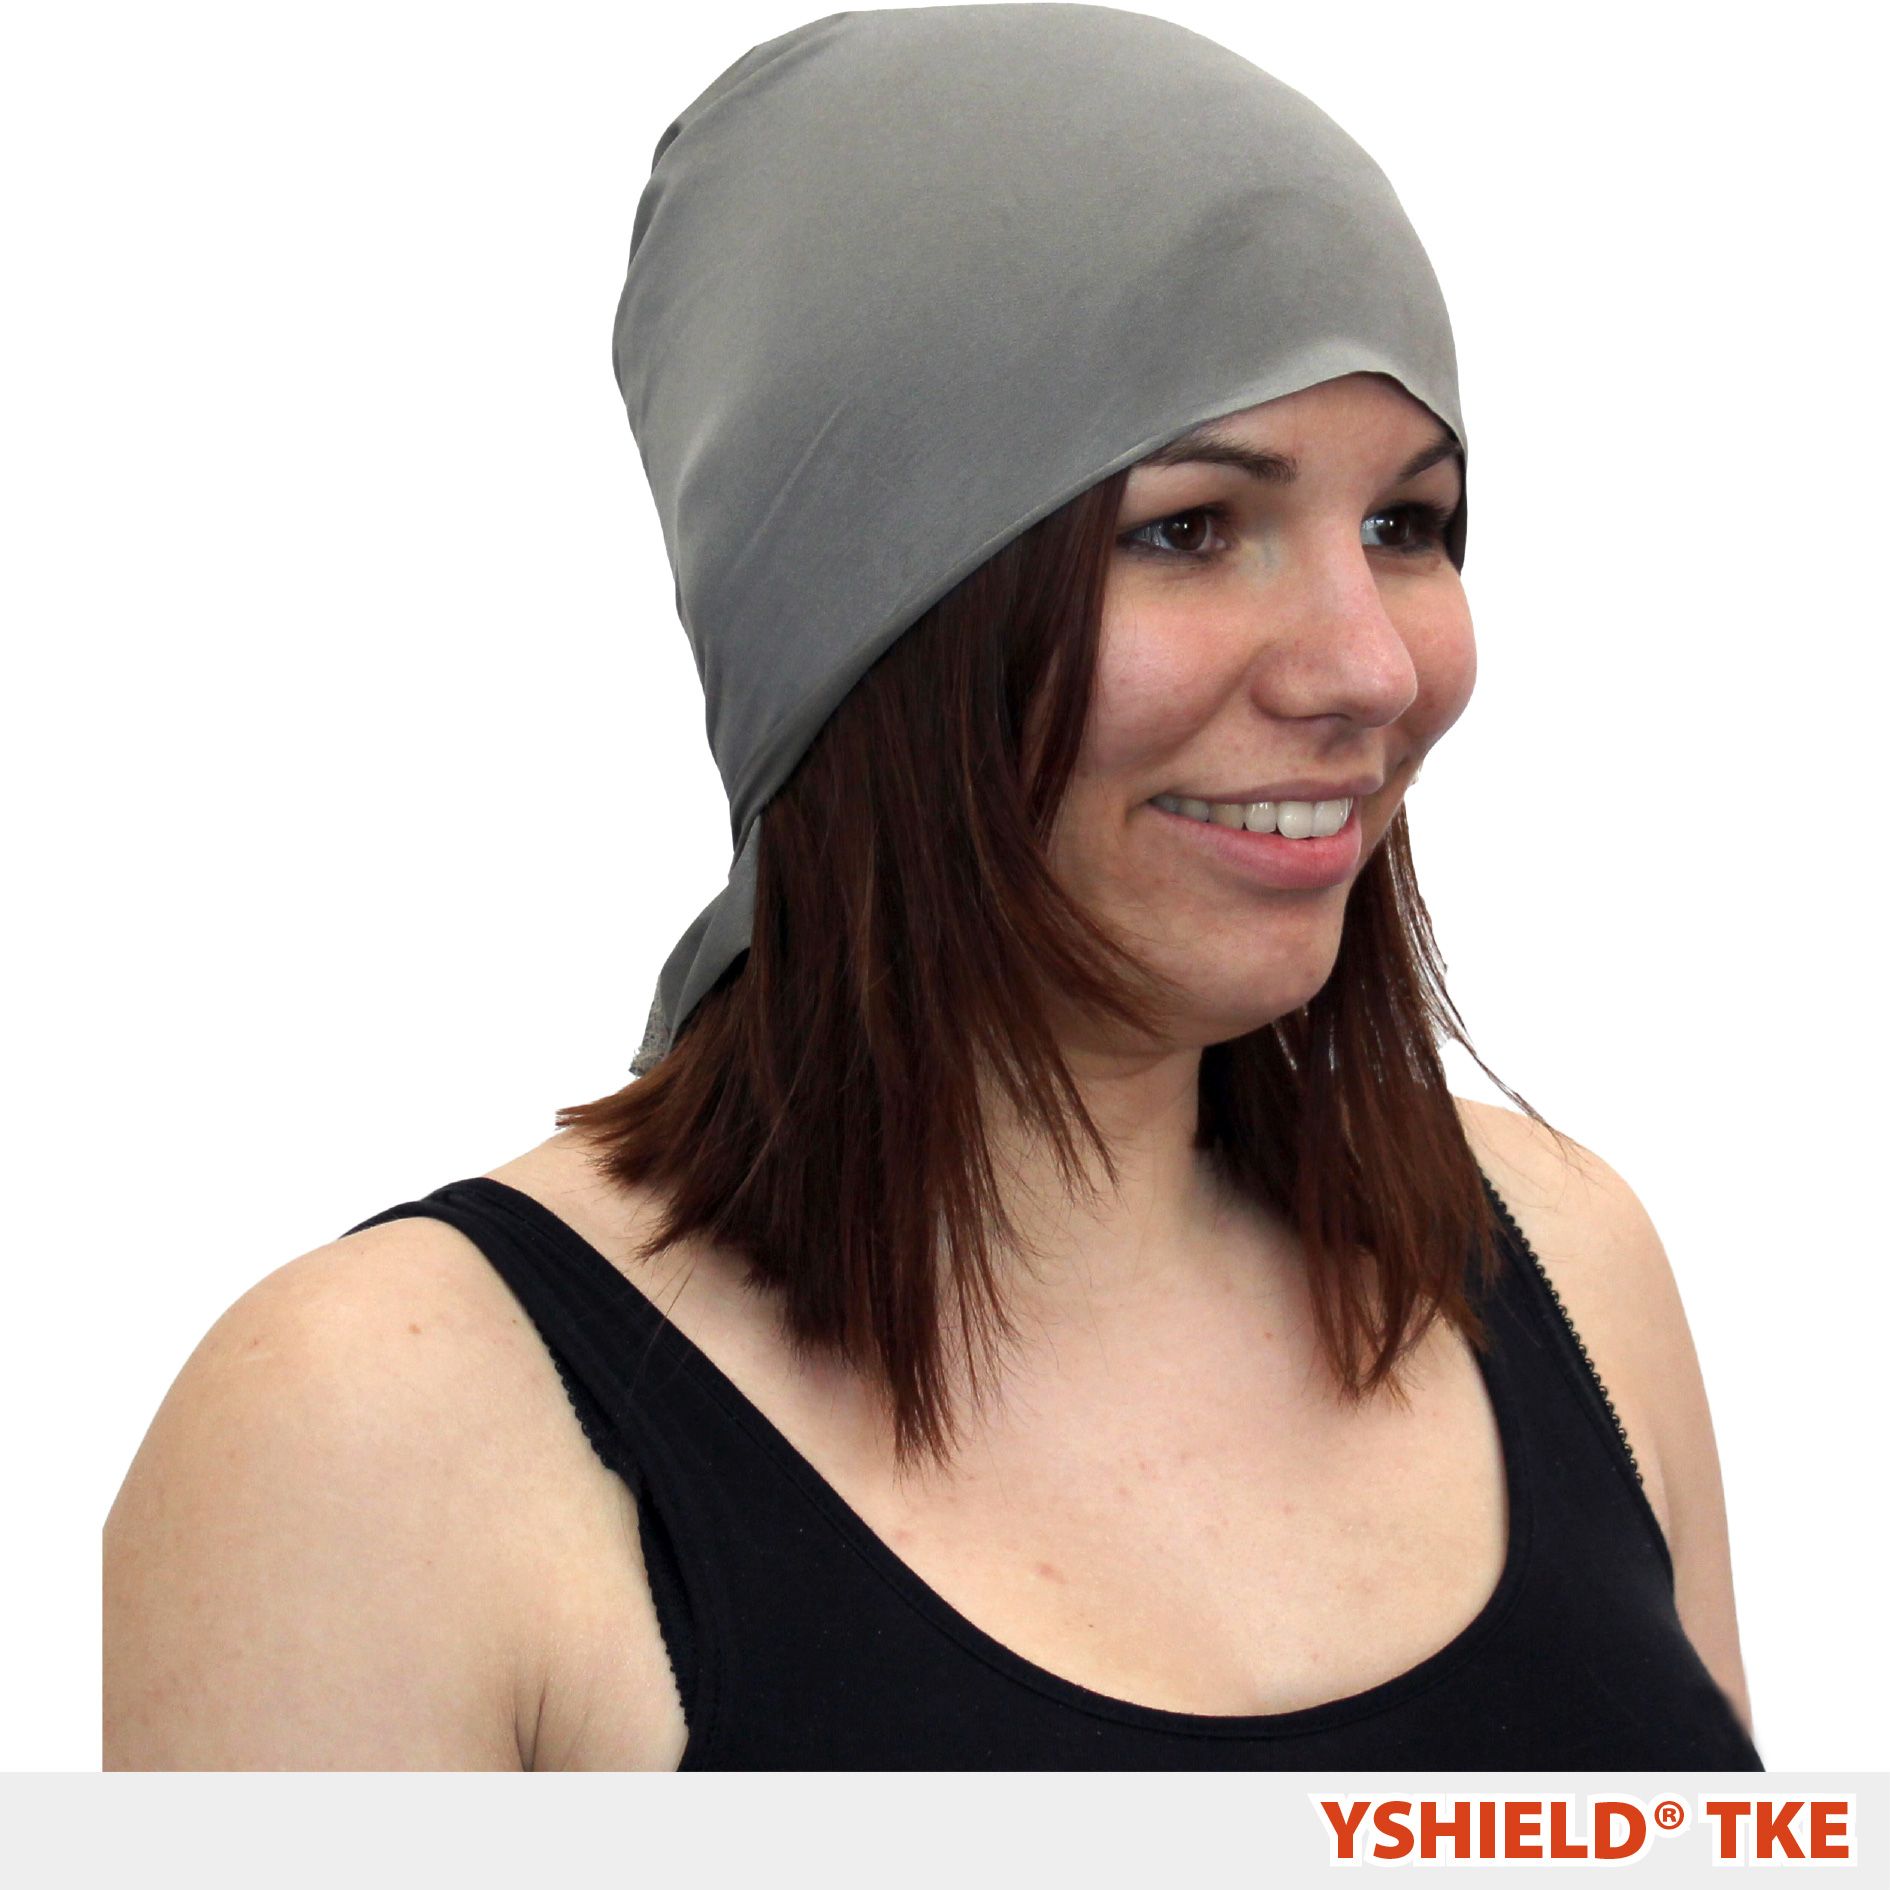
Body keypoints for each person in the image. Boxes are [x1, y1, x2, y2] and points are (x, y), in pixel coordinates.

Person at [103, 5, 1760, 1771]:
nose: (1369, 667)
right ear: (849, 620)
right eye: (1188, 528)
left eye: (1404, 526)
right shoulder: (380, 1432)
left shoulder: (1553, 1259)